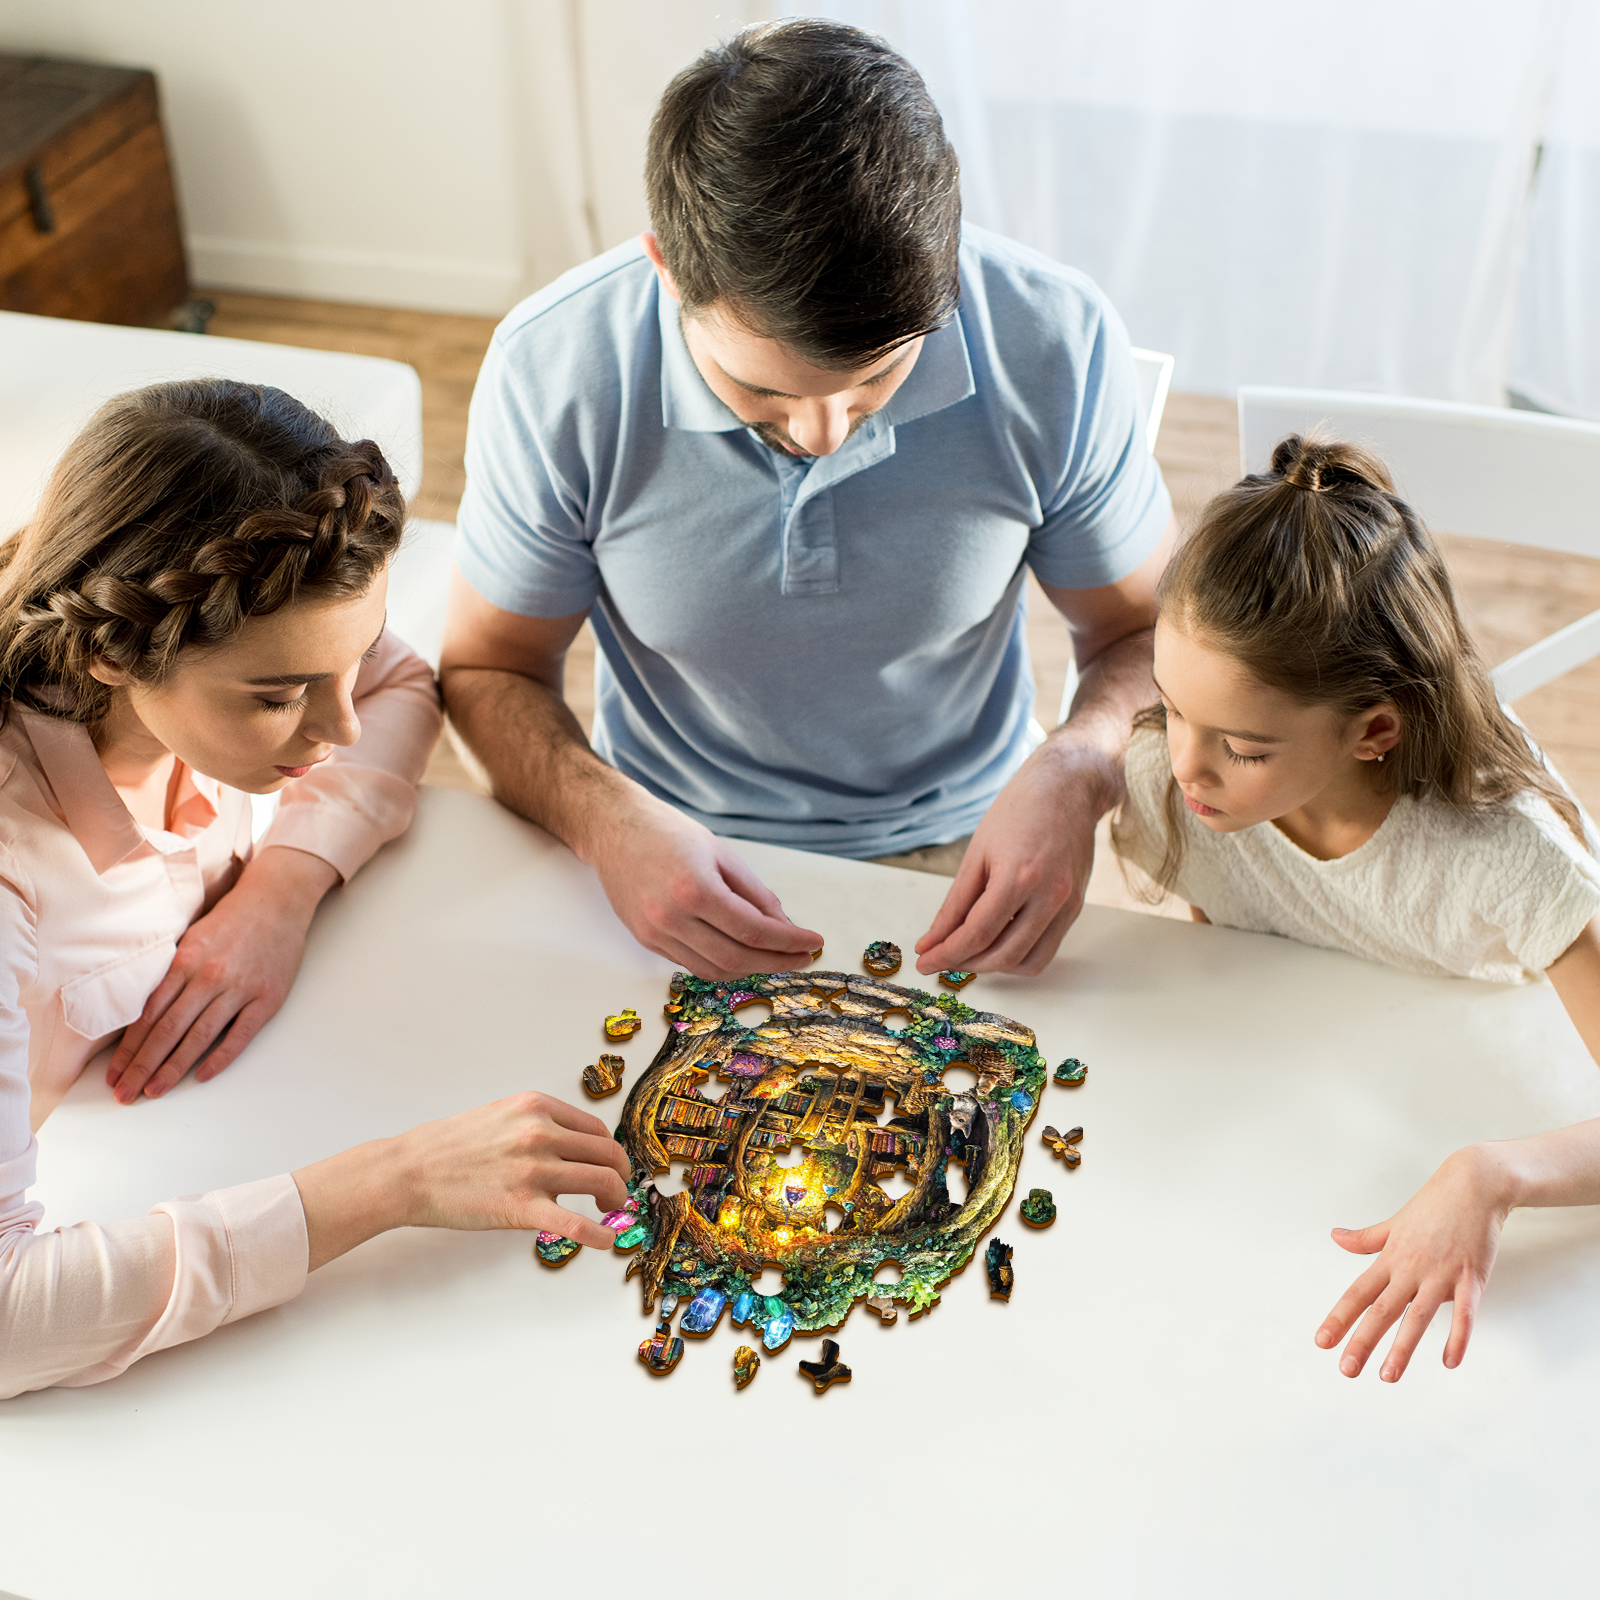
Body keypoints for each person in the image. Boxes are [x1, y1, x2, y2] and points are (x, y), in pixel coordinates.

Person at [440, 19, 1175, 983]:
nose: (826, 434)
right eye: (765, 393)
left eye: (877, 382)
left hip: (973, 841)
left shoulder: (1053, 341)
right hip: (658, 844)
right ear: (668, 271)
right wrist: (603, 818)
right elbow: (489, 671)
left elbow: (1148, 638)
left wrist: (1079, 772)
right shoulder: (554, 370)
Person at [0, 381, 628, 1399]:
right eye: (277, 696)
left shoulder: (235, 642)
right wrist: (395, 1181)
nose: (334, 731)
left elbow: (394, 686)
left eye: (340, 661)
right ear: (111, 650)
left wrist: (279, 892)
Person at [1111, 432, 1600, 1383]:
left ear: (1375, 730)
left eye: (1242, 748)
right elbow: (1246, 953)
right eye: (1171, 708)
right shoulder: (1171, 789)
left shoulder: (1509, 859)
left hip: (1503, 1054)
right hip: (1318, 1111)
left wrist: (1491, 1176)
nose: (1184, 767)